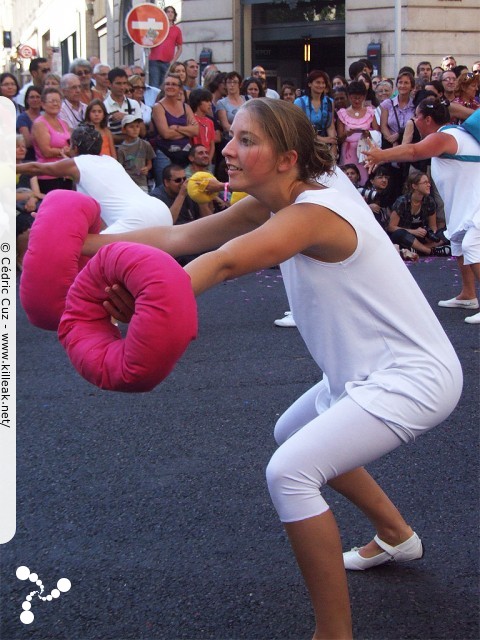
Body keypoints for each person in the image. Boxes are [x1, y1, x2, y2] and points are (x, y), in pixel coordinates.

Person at [81, 98, 462, 640]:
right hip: (363, 373)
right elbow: (181, 238)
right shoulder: (282, 194)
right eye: (232, 135)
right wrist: (85, 248)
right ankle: (396, 533)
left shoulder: (313, 214)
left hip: (413, 378)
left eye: (247, 141)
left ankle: (333, 633)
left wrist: (130, 306)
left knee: (290, 472)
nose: (228, 150)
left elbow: (223, 261)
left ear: (286, 158)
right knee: (291, 432)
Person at [365, 97, 480, 324]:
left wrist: (382, 155)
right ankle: (468, 295)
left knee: (471, 246)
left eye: (416, 116)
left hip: (475, 204)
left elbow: (414, 151)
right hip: (465, 204)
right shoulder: (458, 134)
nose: (414, 120)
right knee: (459, 244)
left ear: (428, 119)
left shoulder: (444, 137)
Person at [17, 124, 173, 234]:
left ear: (75, 148)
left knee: (86, 255)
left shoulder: (77, 163)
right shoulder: (110, 161)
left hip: (135, 219)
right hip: (161, 212)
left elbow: (36, 168)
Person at [150, 73, 199, 184]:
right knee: (165, 188)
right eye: (167, 84)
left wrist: (177, 127)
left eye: (174, 84)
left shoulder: (185, 107)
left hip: (185, 155)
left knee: (186, 187)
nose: (170, 86)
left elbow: (196, 131)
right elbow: (165, 134)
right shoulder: (158, 107)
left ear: (180, 88)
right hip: (164, 154)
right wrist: (187, 131)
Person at [387, 172, 448, 256]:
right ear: (414, 186)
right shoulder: (402, 202)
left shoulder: (429, 201)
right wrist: (414, 232)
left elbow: (433, 226)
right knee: (399, 234)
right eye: (425, 183)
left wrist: (430, 234)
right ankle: (429, 251)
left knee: (446, 232)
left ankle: (418, 250)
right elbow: (391, 227)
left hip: (422, 236)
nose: (429, 185)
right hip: (406, 236)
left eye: (428, 182)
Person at [336, 80, 380, 185]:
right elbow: (339, 138)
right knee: (348, 179)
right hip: (348, 152)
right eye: (354, 97)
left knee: (364, 179)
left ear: (364, 97)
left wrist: (368, 134)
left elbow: (377, 132)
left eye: (359, 97)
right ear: (349, 96)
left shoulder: (370, 112)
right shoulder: (342, 113)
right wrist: (347, 134)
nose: (356, 100)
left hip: (364, 151)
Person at [31, 87, 73, 194]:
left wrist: (68, 151)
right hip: (48, 175)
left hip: (65, 174)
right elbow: (46, 152)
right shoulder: (40, 124)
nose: (56, 104)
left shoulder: (64, 123)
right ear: (43, 104)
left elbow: (72, 146)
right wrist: (64, 151)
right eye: (52, 101)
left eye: (58, 101)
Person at [294, 70, 337, 155]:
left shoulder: (329, 102)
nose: (321, 85)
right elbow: (299, 129)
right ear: (310, 84)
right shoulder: (299, 102)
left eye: (323, 83)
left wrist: (333, 144)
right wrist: (321, 139)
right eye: (318, 82)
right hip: (306, 145)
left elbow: (330, 126)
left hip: (324, 146)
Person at [104, 68, 143, 145]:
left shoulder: (134, 104)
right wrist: (131, 136)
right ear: (109, 83)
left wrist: (126, 117)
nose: (122, 87)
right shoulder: (103, 106)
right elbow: (106, 136)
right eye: (118, 83)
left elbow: (142, 131)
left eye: (124, 83)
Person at [117, 116, 155, 193]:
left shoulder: (145, 144)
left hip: (142, 182)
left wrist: (146, 168)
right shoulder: (121, 149)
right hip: (128, 184)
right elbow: (120, 169)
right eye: (131, 127)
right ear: (124, 130)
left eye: (137, 126)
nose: (135, 129)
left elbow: (149, 163)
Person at [148, 5, 183, 89]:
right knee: (154, 85)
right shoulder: (157, 26)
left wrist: (173, 61)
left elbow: (180, 48)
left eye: (172, 12)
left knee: (165, 85)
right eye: (168, 12)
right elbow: (147, 40)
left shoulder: (177, 30)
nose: (170, 14)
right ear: (164, 13)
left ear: (174, 15)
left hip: (168, 62)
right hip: (154, 60)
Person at [189, 89, 216, 166]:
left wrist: (209, 159)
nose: (210, 104)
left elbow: (212, 144)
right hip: (194, 161)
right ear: (198, 102)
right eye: (207, 101)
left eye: (210, 101)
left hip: (207, 160)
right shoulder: (191, 119)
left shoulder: (210, 122)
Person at [16, 85, 42, 161]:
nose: (35, 100)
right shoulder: (22, 118)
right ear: (27, 100)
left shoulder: (45, 116)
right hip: (29, 157)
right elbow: (27, 142)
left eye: (38, 97)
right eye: (32, 97)